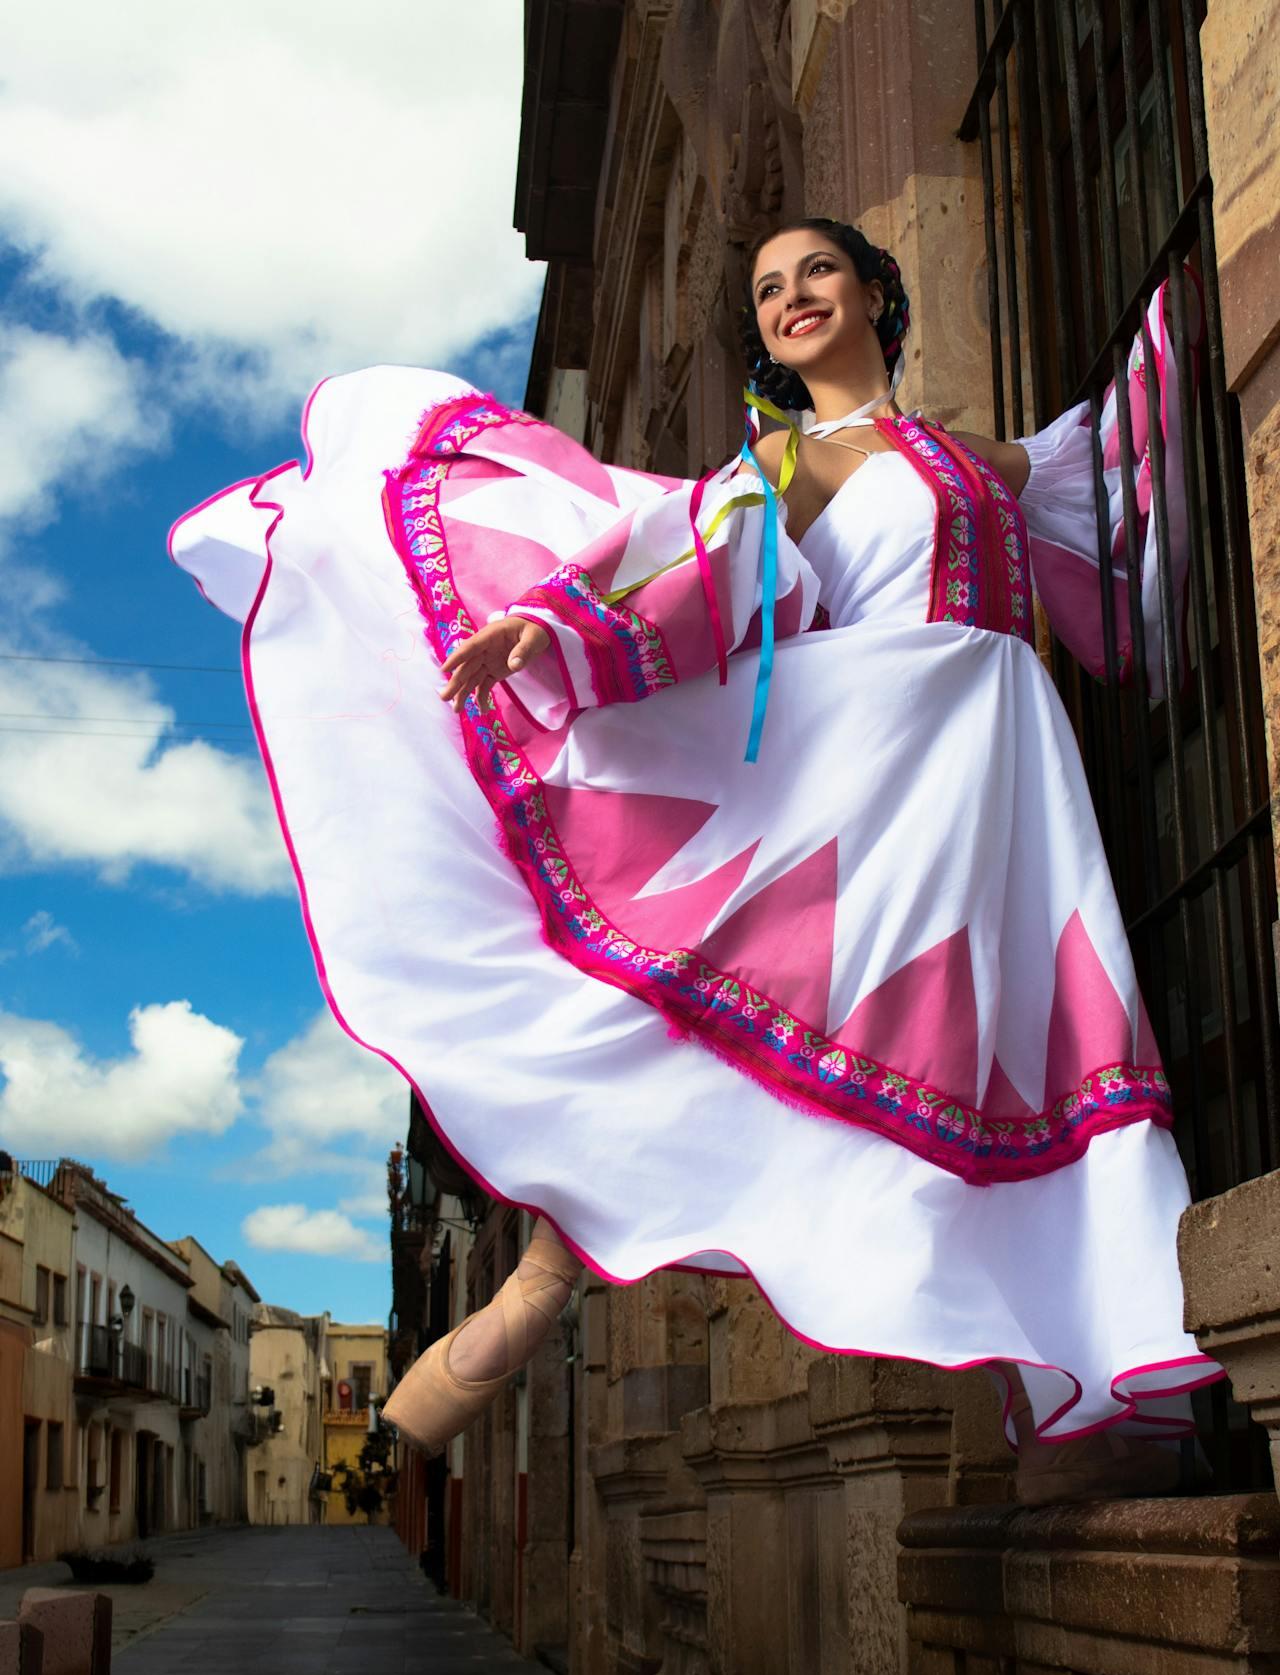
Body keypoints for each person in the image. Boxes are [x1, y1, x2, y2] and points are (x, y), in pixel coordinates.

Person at [171, 217, 1221, 1505]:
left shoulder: (971, 452)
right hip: (880, 761)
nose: (792, 298)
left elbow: (1104, 466)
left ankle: (1091, 1357)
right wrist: (549, 625)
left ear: (877, 294)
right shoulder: (788, 456)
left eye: (817, 273)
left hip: (1000, 759)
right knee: (816, 1019)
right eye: (769, 287)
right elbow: (697, 558)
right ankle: (546, 1276)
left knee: (1029, 1044)